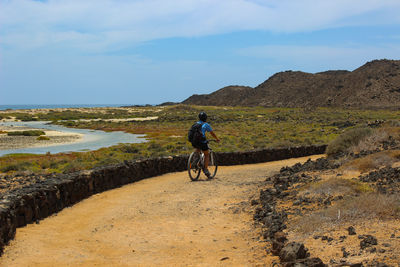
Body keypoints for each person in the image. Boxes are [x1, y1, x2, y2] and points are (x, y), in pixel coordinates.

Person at [192, 112, 220, 179]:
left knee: (198, 150)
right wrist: (217, 139)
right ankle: (205, 169)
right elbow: (212, 133)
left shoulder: (195, 124)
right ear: (205, 118)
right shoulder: (206, 124)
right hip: (202, 141)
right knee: (206, 154)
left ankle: (195, 161)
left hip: (194, 141)